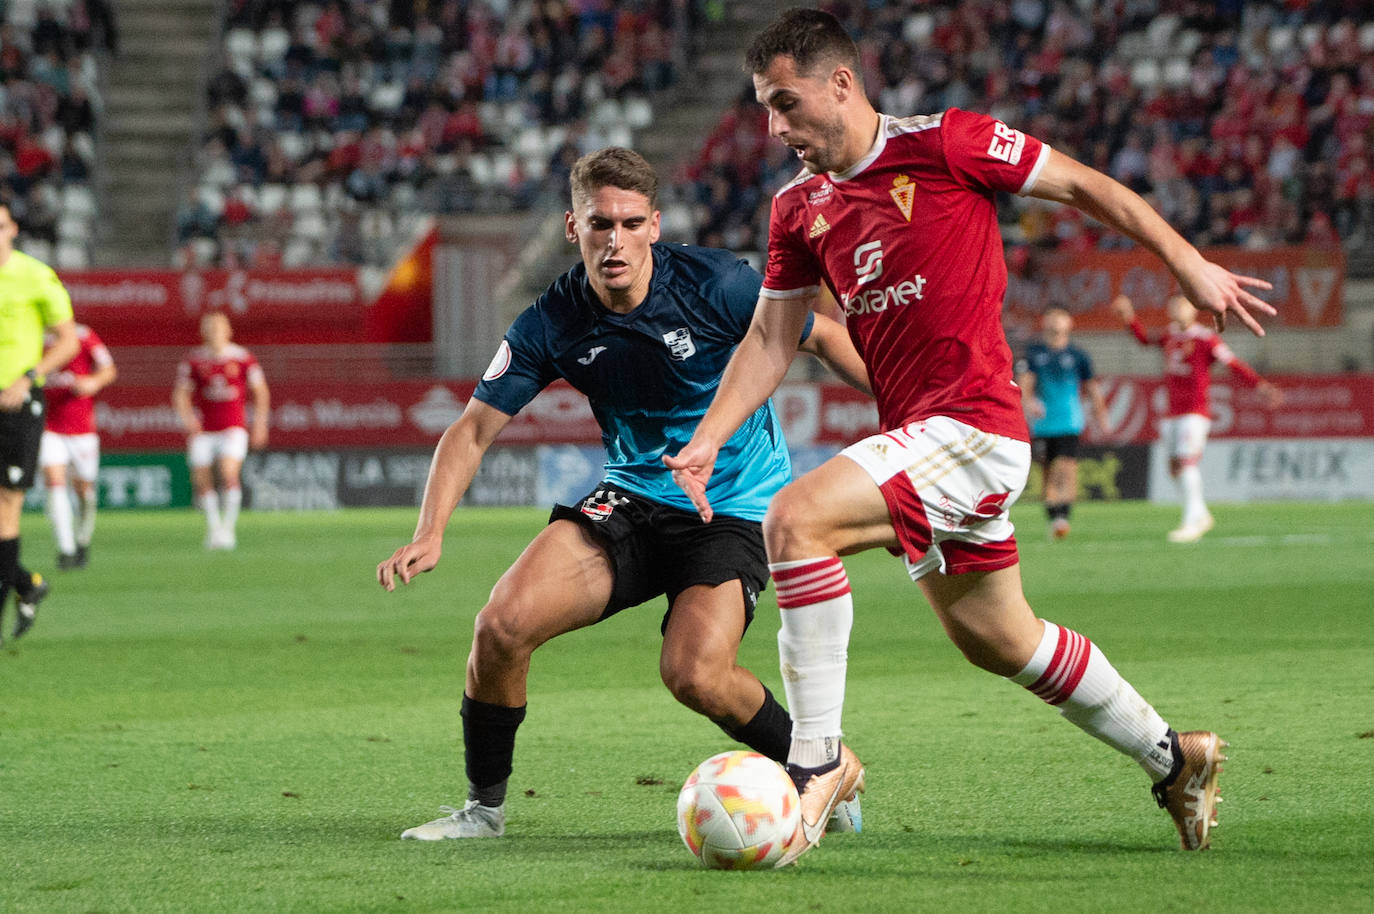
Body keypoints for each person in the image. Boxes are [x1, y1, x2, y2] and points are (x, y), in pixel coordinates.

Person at [665, 8, 1277, 863]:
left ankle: (814, 765)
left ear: (842, 83)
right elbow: (772, 338)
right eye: (765, 109)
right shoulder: (797, 208)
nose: (776, 129)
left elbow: (1088, 187)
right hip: (922, 437)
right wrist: (707, 436)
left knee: (795, 519)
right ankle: (1176, 758)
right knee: (998, 638)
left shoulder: (949, 143)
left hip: (976, 428)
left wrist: (1186, 262)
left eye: (787, 103)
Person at [376, 147, 870, 841]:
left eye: (631, 222)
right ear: (573, 227)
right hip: (632, 499)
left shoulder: (717, 285)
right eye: (599, 223)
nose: (615, 240)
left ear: (655, 226)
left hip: (733, 507)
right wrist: (431, 532)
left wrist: (910, 404)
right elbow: (470, 430)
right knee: (500, 627)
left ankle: (824, 765)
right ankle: (482, 813)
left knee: (694, 672)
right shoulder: (552, 320)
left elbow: (819, 338)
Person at [1111, 292, 1282, 543]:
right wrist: (1129, 317)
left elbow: (1232, 363)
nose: (1178, 309)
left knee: (1187, 461)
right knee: (1174, 468)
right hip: (1172, 411)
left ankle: (1192, 521)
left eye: (1183, 305)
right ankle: (1200, 513)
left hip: (1195, 411)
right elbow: (1145, 340)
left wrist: (1260, 385)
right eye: (1174, 305)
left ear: (1194, 311)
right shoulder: (1170, 334)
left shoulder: (1206, 339)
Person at [0, 202, 79, 642]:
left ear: (12, 229)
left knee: (5, 510)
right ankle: (26, 583)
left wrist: (29, 378)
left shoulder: (34, 275)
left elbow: (67, 340)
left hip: (14, 405)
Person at [172, 311, 270, 550]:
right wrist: (187, 419)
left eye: (219, 328)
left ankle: (228, 529)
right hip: (204, 430)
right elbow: (181, 394)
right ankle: (214, 528)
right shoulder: (194, 361)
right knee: (201, 479)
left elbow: (261, 392)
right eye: (210, 328)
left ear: (229, 331)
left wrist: (259, 423)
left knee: (228, 473)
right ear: (203, 332)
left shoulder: (243, 358)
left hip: (233, 428)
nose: (214, 333)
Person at [1015, 307, 1108, 540]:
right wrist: (1029, 403)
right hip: (1043, 424)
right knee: (1048, 473)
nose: (1056, 321)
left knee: (1064, 468)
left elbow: (1092, 389)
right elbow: (1025, 382)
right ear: (1045, 321)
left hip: (1069, 422)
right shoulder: (1034, 354)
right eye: (1052, 316)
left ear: (1070, 322)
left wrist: (1101, 415)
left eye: (1061, 316)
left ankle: (1062, 518)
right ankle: (1055, 515)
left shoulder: (1078, 356)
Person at [40, 322, 117, 568]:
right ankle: (66, 548)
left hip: (82, 428)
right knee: (55, 482)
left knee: (84, 489)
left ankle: (82, 538)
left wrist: (93, 382)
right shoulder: (33, 337)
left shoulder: (83, 335)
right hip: (48, 425)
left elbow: (108, 369)